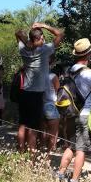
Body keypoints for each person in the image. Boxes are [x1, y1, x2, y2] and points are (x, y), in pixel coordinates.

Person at [57, 38, 91, 182]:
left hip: (69, 113)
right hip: (83, 114)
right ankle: (75, 181)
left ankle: (61, 173)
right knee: (81, 149)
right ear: (88, 55)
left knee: (71, 145)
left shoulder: (68, 71)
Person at [15, 22, 64, 153]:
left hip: (24, 92)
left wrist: (27, 41)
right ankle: (31, 158)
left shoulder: (23, 50)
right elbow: (60, 34)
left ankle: (21, 151)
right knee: (33, 128)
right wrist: (43, 25)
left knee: (22, 123)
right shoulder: (45, 50)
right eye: (42, 38)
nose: (44, 40)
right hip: (36, 94)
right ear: (39, 38)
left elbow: (18, 33)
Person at [43, 55, 60, 152]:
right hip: (51, 104)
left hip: (40, 104)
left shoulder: (39, 76)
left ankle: (41, 151)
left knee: (43, 131)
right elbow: (59, 91)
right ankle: (50, 153)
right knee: (53, 132)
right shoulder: (53, 76)